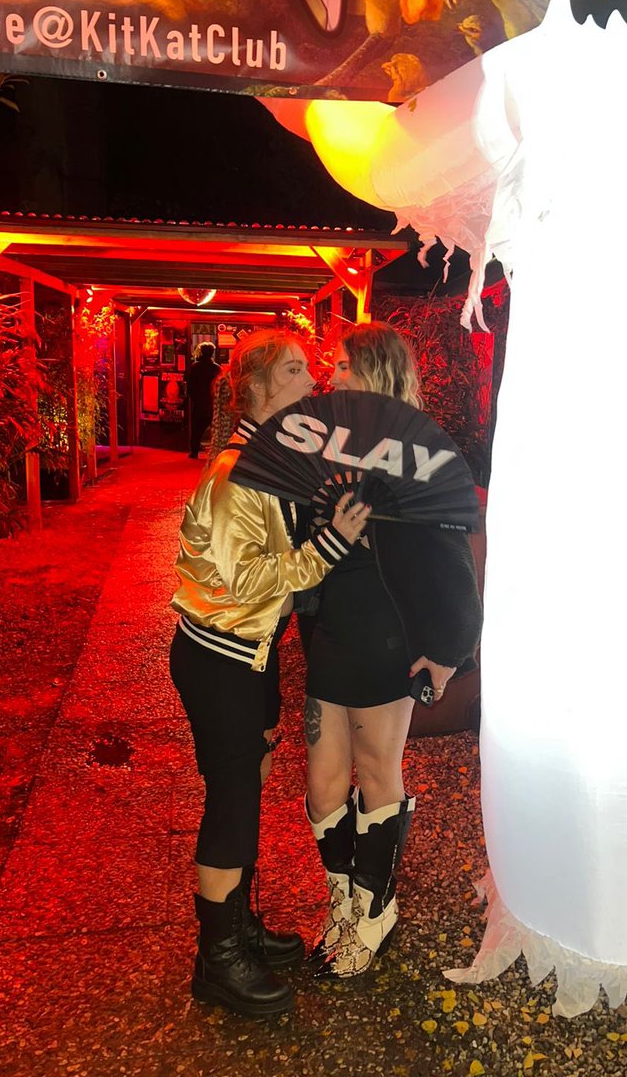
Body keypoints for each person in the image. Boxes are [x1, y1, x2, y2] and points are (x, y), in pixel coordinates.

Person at [169, 328, 370, 1017]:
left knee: (248, 787)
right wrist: (331, 546)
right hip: (220, 656)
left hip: (249, 653)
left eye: (310, 370)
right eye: (294, 372)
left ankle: (238, 926)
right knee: (232, 800)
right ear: (255, 389)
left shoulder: (272, 455)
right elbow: (249, 580)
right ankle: (216, 959)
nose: (312, 382)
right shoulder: (237, 473)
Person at [304, 322, 483, 978]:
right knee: (323, 783)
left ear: (375, 372)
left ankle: (374, 909)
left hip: (389, 637)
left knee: (378, 772)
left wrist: (449, 650)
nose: (332, 376)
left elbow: (455, 566)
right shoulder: (331, 445)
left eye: (343, 366)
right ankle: (342, 901)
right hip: (333, 631)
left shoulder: (417, 456)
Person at [186, 342, 222, 458]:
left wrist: (195, 398)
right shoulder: (216, 368)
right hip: (212, 403)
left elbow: (190, 386)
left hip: (199, 403)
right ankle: (217, 452)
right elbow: (220, 386)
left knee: (197, 430)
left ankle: (194, 452)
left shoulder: (195, 367)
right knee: (216, 430)